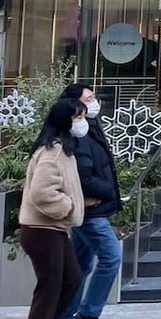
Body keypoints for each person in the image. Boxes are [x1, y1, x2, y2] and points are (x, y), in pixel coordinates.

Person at [19, 98, 86, 319]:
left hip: (53, 230)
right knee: (50, 288)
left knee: (70, 279)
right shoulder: (53, 151)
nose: (82, 122)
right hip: (41, 230)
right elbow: (41, 192)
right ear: (64, 120)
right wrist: (68, 208)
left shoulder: (62, 150)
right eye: (78, 117)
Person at [59, 84, 122, 319]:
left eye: (94, 97)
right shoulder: (77, 135)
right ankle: (88, 313)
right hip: (90, 210)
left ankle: (65, 313)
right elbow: (84, 178)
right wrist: (110, 192)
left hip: (91, 209)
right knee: (111, 257)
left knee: (79, 265)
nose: (94, 102)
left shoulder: (90, 128)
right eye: (89, 98)